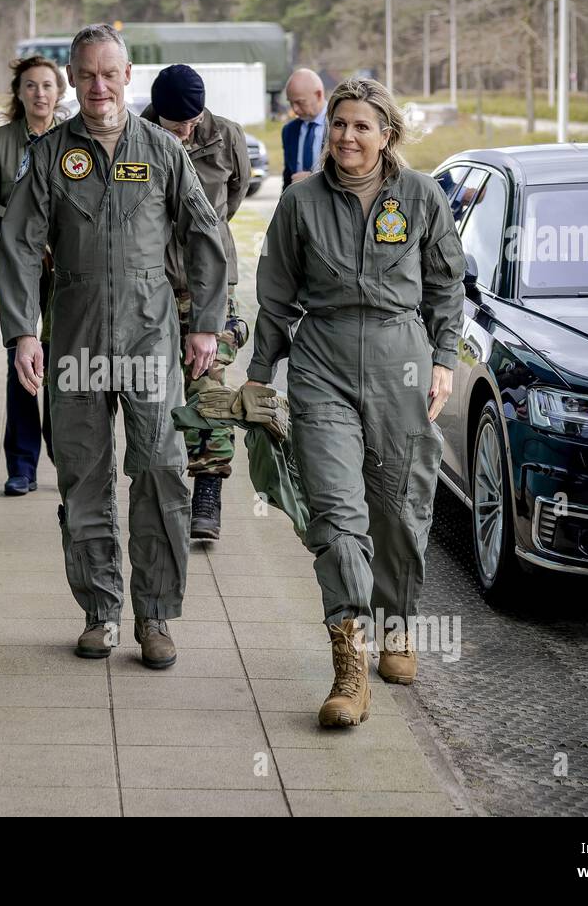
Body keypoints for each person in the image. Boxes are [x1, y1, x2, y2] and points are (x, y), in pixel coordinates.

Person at [0, 24, 229, 669]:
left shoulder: (161, 151)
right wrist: (22, 332)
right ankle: (100, 611)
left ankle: (155, 615)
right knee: (82, 474)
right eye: (86, 74)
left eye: (109, 74)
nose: (97, 86)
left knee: (158, 469)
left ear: (128, 77)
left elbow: (205, 235)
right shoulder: (51, 155)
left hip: (150, 336)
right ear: (72, 78)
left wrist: (205, 323)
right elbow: (16, 244)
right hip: (73, 337)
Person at [246, 77, 464, 727]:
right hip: (325, 362)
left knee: (398, 509)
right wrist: (260, 375)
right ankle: (349, 666)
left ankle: (398, 624)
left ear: (386, 133)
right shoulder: (301, 201)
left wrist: (445, 361)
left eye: (361, 125)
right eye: (339, 123)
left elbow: (447, 285)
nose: (347, 136)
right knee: (339, 515)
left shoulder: (421, 196)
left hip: (403, 358)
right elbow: (277, 296)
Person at [141, 64, 250, 540]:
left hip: (209, 287)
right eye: (175, 124)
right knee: (151, 394)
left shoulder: (227, 137)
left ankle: (207, 491)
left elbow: (233, 198)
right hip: (150, 288)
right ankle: (158, 490)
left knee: (209, 390)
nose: (184, 131)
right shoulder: (137, 135)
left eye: (190, 122)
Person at [0, 55, 63, 496]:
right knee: (23, 362)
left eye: (47, 85)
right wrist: (23, 231)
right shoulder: (1, 141)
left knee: (65, 363)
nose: (40, 93)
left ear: (59, 92)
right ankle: (22, 465)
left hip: (67, 269)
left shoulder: (73, 139)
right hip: (20, 267)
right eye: (31, 86)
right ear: (19, 92)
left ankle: (66, 459)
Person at [281, 68, 327, 189]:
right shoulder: (289, 130)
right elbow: (288, 177)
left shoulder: (340, 126)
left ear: (318, 95)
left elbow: (350, 174)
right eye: (291, 103)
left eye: (300, 102)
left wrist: (313, 178)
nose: (294, 109)